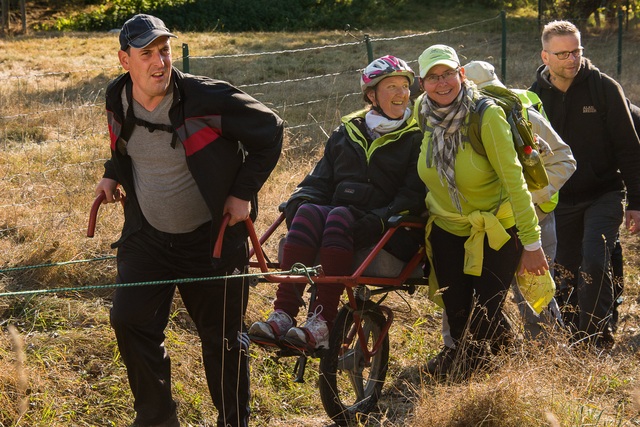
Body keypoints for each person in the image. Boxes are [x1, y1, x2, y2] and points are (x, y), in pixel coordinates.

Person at [95, 14, 283, 427]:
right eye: (147, 54)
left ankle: (233, 422)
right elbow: (123, 143)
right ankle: (157, 420)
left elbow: (271, 131)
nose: (159, 62)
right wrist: (112, 171)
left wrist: (241, 194)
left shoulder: (207, 98)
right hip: (148, 238)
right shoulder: (117, 97)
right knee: (129, 321)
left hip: (211, 241)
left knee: (223, 342)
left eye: (163, 50)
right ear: (125, 61)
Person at [248, 55, 426, 351]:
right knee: (307, 210)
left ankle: (321, 323)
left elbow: (413, 193)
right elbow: (318, 181)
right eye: (392, 87)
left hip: (387, 228)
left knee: (339, 216)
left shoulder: (416, 137)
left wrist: (381, 218)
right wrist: (300, 201)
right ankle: (283, 314)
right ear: (372, 96)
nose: (402, 94)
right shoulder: (347, 133)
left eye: (405, 86)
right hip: (343, 220)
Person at [414, 45, 549, 378]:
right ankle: (468, 372)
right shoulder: (422, 111)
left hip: (497, 226)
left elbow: (515, 181)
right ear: (422, 84)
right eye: (432, 77)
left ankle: (503, 375)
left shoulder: (486, 115)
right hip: (447, 225)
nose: (441, 83)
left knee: (486, 312)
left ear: (461, 74)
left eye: (447, 74)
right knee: (456, 311)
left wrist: (532, 243)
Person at [530, 20, 640, 348]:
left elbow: (629, 148)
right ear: (545, 56)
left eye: (576, 51)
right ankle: (575, 330)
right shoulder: (534, 98)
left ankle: (595, 336)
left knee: (593, 258)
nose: (571, 59)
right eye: (562, 53)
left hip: (603, 192)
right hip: (559, 198)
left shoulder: (604, 88)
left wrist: (635, 202)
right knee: (565, 269)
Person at [463, 60, 576, 339]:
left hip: (536, 217)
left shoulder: (522, 111)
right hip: (489, 224)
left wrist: (531, 199)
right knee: (481, 296)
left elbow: (565, 160)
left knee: (536, 295)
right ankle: (485, 348)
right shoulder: (457, 121)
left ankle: (550, 354)